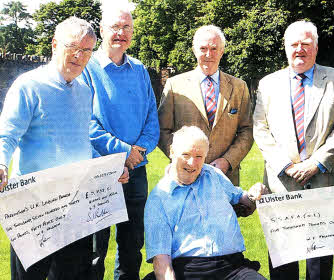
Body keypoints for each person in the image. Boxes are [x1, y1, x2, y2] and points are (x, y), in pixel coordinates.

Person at [0, 17, 124, 280]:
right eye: (73, 47)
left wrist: (108, 170)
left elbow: (80, 144)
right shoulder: (28, 85)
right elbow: (7, 134)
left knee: (71, 275)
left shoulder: (84, 90)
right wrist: (1, 163)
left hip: (75, 205)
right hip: (34, 207)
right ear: (55, 44)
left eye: (87, 50)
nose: (79, 56)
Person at [253, 20, 334, 280]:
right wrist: (286, 165)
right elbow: (260, 129)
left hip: (324, 180)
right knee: (283, 264)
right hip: (282, 184)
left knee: (319, 267)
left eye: (306, 44)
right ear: (285, 48)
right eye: (294, 44)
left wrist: (317, 162)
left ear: (316, 48)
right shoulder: (267, 83)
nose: (300, 49)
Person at [81, 1, 159, 280]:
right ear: (102, 29)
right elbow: (85, 123)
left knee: (132, 246)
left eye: (127, 27)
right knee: (94, 250)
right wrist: (123, 153)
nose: (121, 33)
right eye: (115, 26)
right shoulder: (86, 68)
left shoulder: (139, 70)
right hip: (98, 171)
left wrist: (137, 153)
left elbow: (152, 117)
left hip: (137, 171)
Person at [144, 126, 267, 280]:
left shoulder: (213, 174)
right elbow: (161, 261)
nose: (192, 163)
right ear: (172, 152)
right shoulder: (159, 198)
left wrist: (254, 193)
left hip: (232, 267)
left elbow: (240, 197)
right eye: (186, 154)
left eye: (199, 156)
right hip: (188, 271)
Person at [158, 25, 253, 187]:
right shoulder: (175, 86)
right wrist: (184, 161)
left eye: (214, 48)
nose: (208, 54)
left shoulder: (239, 87)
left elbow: (247, 130)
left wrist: (228, 161)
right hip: (184, 177)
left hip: (225, 177)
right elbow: (162, 129)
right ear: (194, 50)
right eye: (203, 48)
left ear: (222, 51)